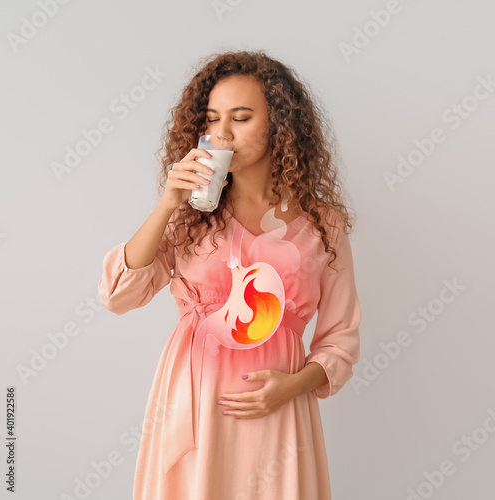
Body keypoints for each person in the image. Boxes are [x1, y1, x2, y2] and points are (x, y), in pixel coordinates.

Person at [97, 49, 361, 500]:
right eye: (212, 119)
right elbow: (119, 295)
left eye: (240, 117)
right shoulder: (188, 217)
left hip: (276, 404)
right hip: (193, 401)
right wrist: (167, 204)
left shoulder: (324, 223)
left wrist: (292, 387)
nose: (221, 133)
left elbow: (341, 340)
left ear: (279, 125)